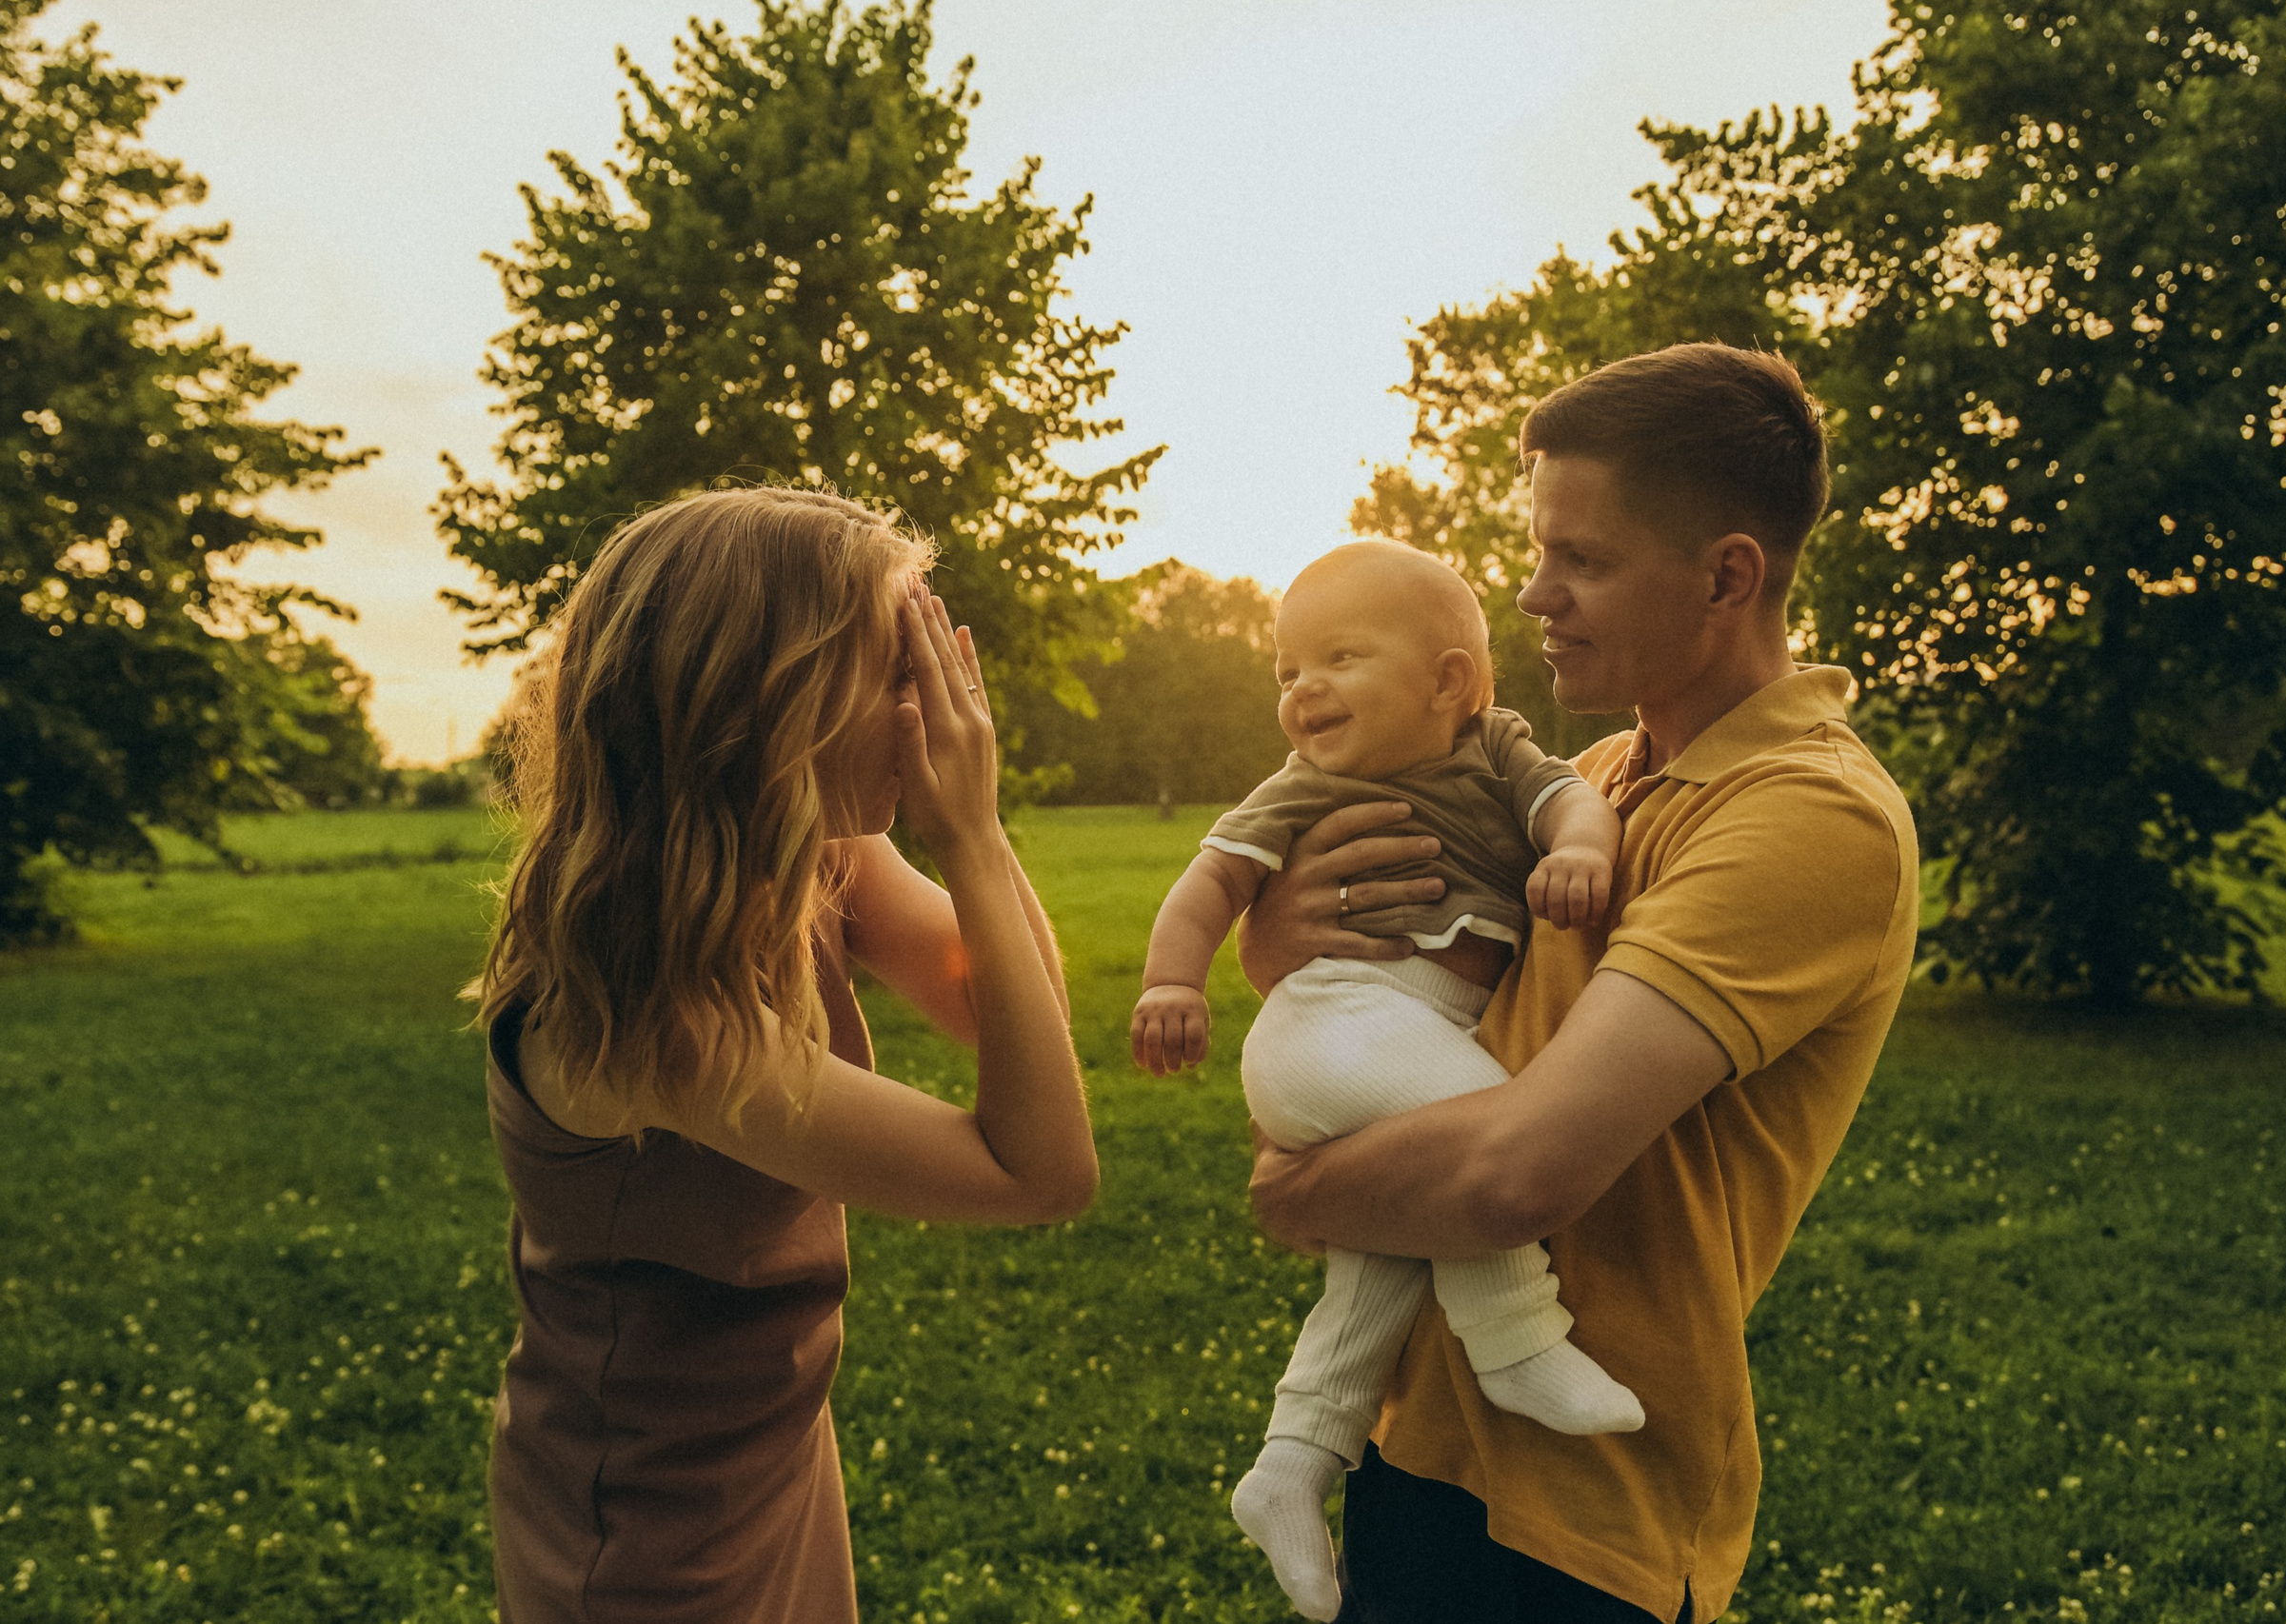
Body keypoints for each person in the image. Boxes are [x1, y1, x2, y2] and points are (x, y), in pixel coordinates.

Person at [1240, 345, 1921, 1624]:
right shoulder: (1595, 780)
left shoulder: (1809, 817)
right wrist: (1274, 935)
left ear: (1730, 573)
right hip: (1421, 1435)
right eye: (1541, 549)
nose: (1535, 593)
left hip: (1584, 1516)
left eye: (1584, 561)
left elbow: (1519, 1174)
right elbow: (1395, 989)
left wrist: (1299, 1193)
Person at [470, 486, 1096, 1624]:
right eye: (889, 668)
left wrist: (969, 840)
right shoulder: (661, 1015)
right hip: (653, 1542)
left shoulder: (816, 862)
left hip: (770, 1457)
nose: (924, 708)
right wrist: (972, 833)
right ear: (765, 699)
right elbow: (1040, 1170)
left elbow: (1026, 1014)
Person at [1129, 542, 1637, 1620]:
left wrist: (1583, 854)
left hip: (1398, 1040)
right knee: (1478, 1138)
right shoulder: (1301, 788)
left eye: (1338, 656)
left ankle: (1292, 1460)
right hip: (1333, 1029)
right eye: (1284, 670)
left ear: (1450, 680)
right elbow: (1206, 883)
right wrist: (1176, 980)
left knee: (1382, 1269)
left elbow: (1570, 810)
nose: (1301, 688)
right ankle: (1517, 1338)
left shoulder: (1499, 745)